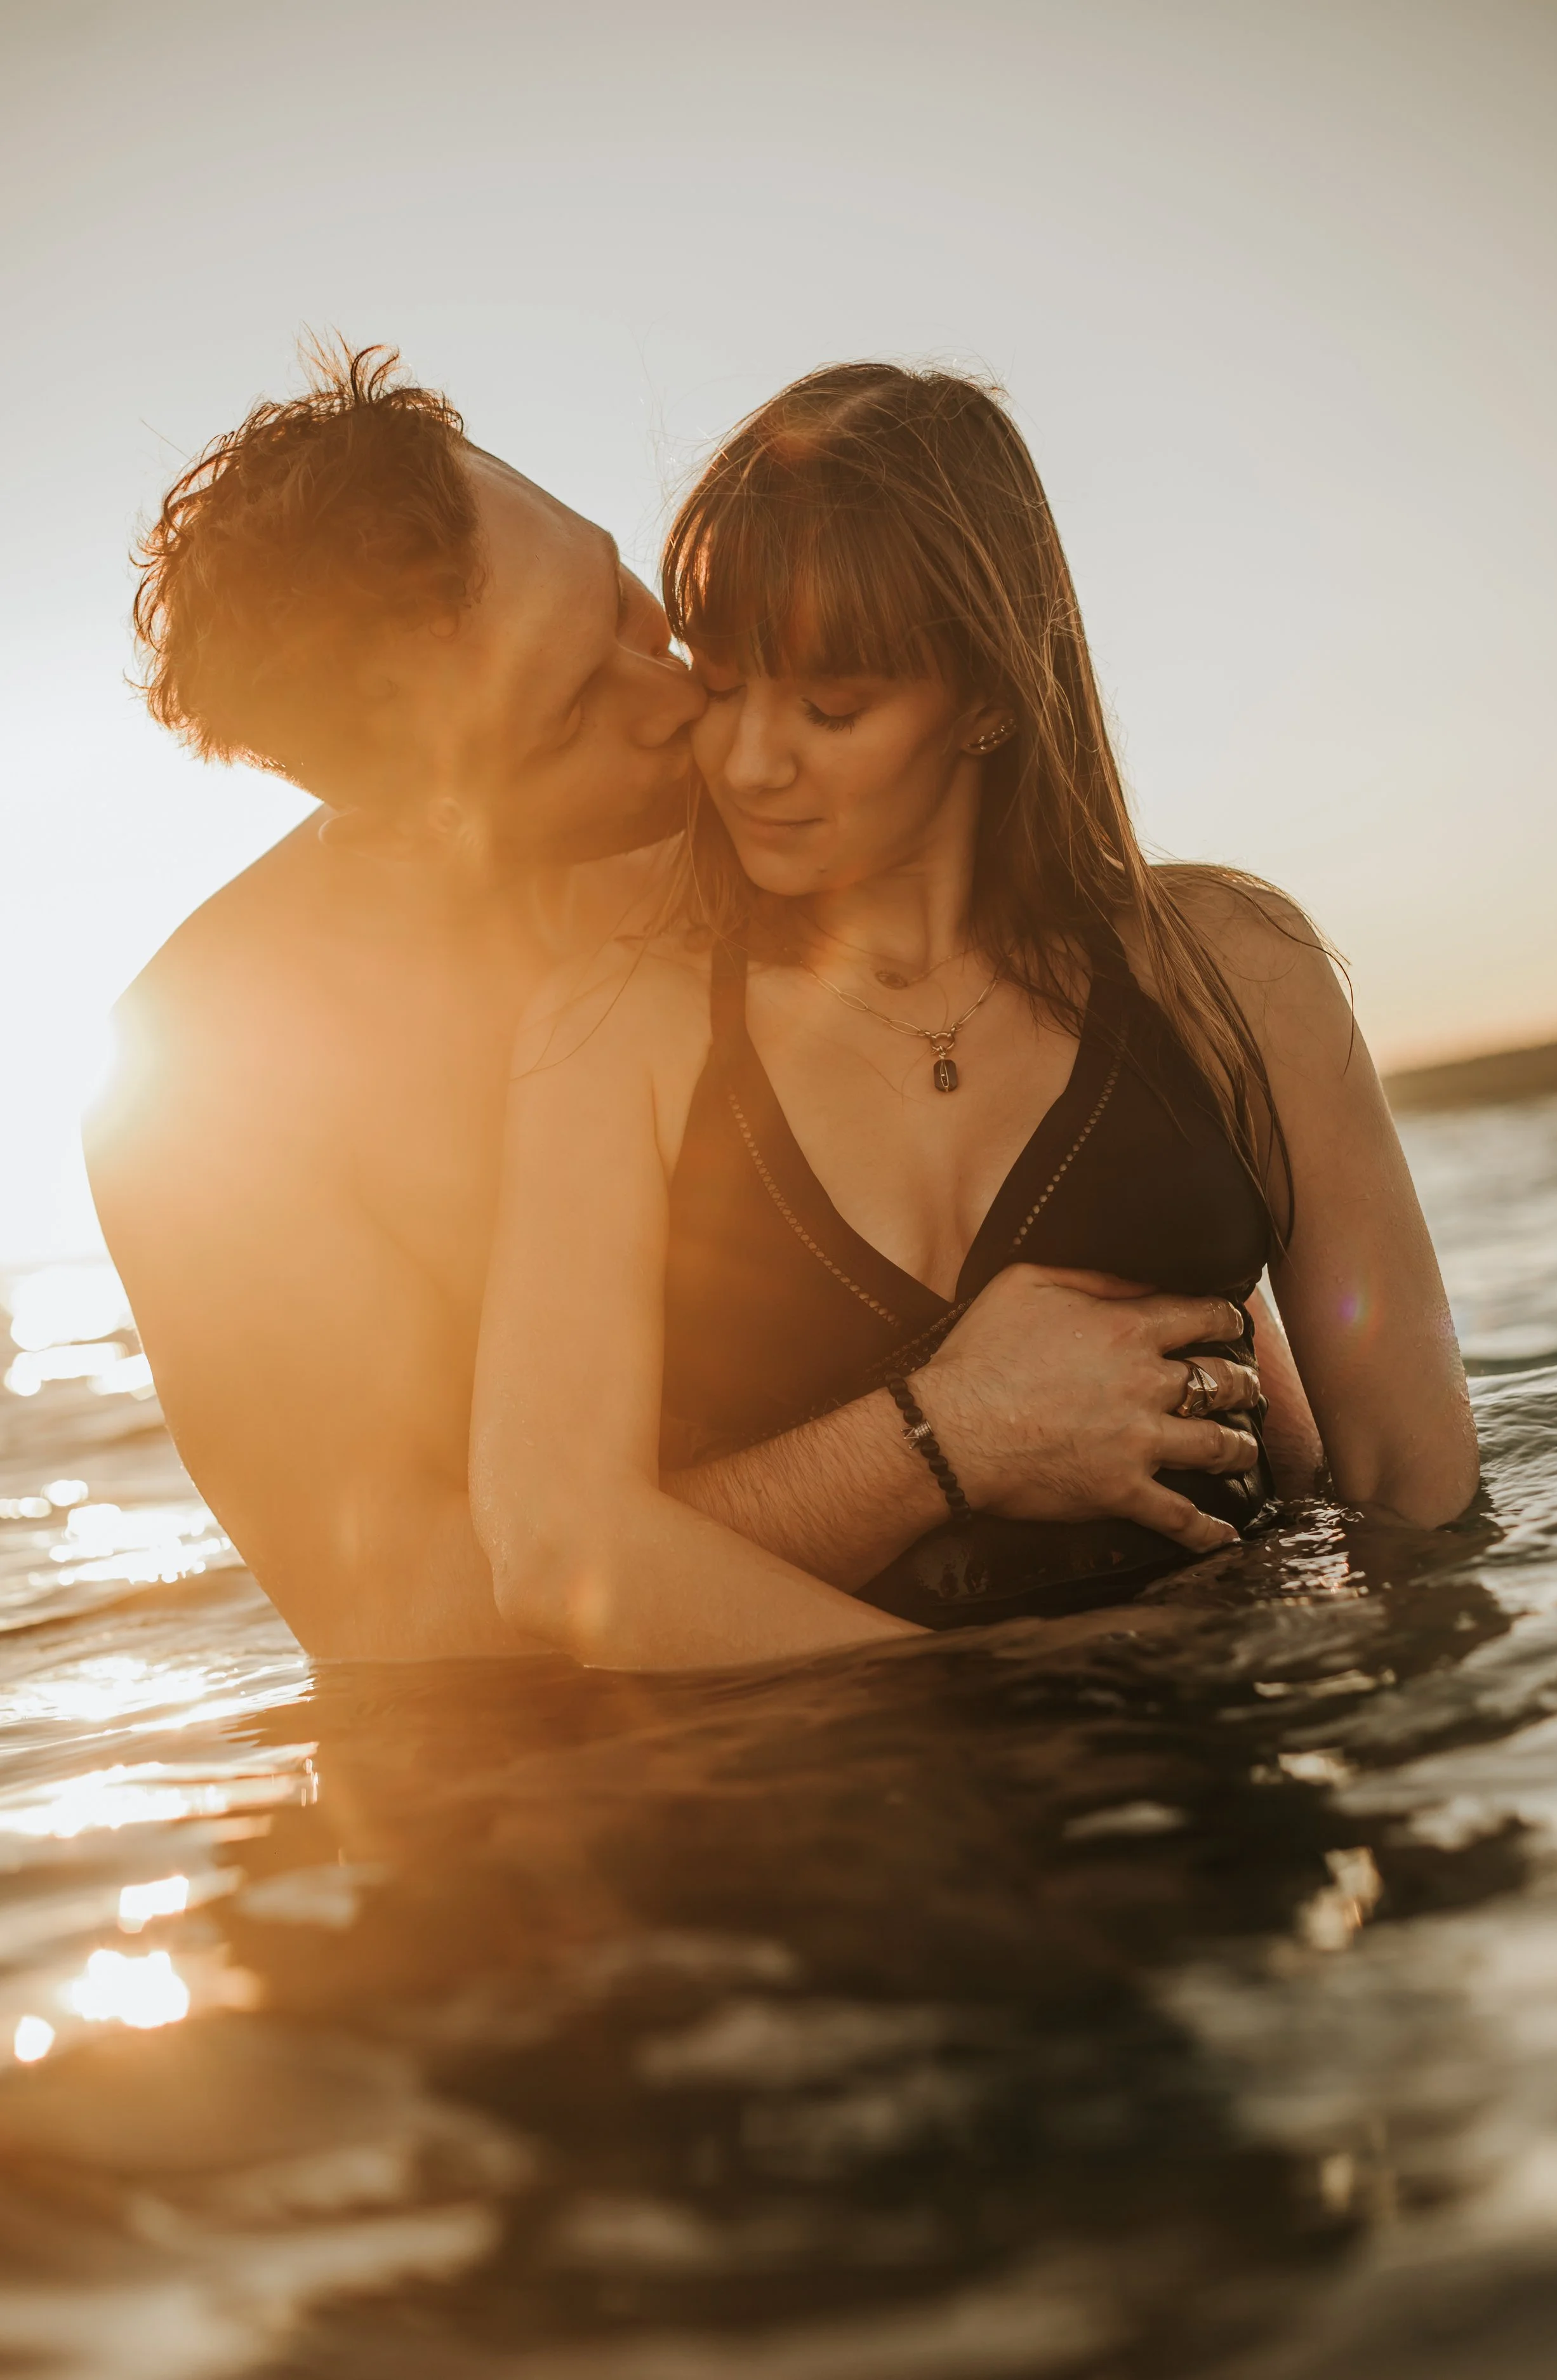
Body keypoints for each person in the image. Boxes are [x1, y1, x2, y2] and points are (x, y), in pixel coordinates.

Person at [86, 347, 1285, 1663]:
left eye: (617, 601)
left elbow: (1141, 1223)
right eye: (570, 712)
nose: (679, 700)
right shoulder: (204, 1097)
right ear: (424, 819)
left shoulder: (775, 819)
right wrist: (946, 1439)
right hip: (672, 1758)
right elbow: (407, 1625)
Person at [470, 364, 1478, 1670]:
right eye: (719, 684)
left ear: (991, 698)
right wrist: (956, 1459)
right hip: (842, 1781)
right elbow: (558, 1555)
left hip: (1227, 1741)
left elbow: (1414, 1488)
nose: (749, 760)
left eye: (831, 706)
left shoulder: (1236, 970)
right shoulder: (617, 1033)